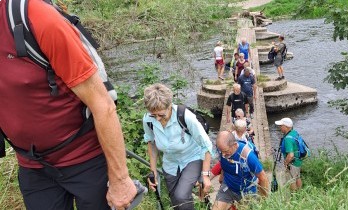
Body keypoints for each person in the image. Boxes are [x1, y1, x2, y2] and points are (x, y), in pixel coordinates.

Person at [0, 1, 136, 209]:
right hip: (33, 167)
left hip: (87, 160)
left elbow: (102, 104)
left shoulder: (37, 18)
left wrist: (120, 180)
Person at [143, 83, 213, 210]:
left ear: (170, 106)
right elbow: (152, 144)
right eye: (154, 115)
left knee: (181, 195)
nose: (157, 119)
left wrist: (205, 175)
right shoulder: (148, 120)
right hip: (170, 164)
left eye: (161, 115)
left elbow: (206, 144)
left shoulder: (185, 116)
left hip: (193, 157)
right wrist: (153, 172)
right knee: (176, 202)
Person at [212, 131, 268, 210]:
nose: (223, 154)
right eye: (221, 151)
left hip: (247, 191)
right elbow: (223, 165)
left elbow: (263, 178)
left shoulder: (248, 156)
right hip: (228, 187)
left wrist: (264, 200)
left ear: (234, 145)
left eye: (225, 151)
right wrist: (221, 177)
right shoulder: (223, 151)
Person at [275, 117, 302, 191]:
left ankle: (294, 197)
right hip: (298, 161)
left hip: (292, 163)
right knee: (297, 177)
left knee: (291, 180)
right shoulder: (294, 132)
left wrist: (286, 163)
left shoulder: (288, 139)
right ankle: (300, 193)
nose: (280, 127)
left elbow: (290, 155)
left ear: (286, 127)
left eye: (281, 126)